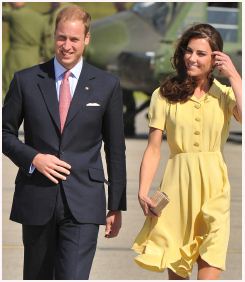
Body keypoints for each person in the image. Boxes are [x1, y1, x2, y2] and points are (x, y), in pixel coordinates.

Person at [2, 5, 126, 280]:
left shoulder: (107, 85)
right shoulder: (26, 80)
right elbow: (5, 133)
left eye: (73, 39)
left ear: (86, 39)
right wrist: (33, 158)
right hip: (37, 198)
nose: (66, 46)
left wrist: (115, 205)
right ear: (53, 37)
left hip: (84, 201)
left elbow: (116, 148)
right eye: (61, 38)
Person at [132, 23, 242, 280]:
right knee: (178, 270)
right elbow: (153, 148)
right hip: (176, 188)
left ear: (215, 58)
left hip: (214, 188)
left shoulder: (225, 95)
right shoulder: (163, 95)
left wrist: (235, 76)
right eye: (189, 51)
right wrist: (142, 189)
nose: (192, 58)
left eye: (201, 53)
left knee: (210, 263)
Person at [2, 2, 46, 95]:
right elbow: (46, 40)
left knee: (8, 87)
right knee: (30, 88)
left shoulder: (14, 14)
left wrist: (5, 4)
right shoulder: (40, 18)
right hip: (34, 57)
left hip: (16, 56)